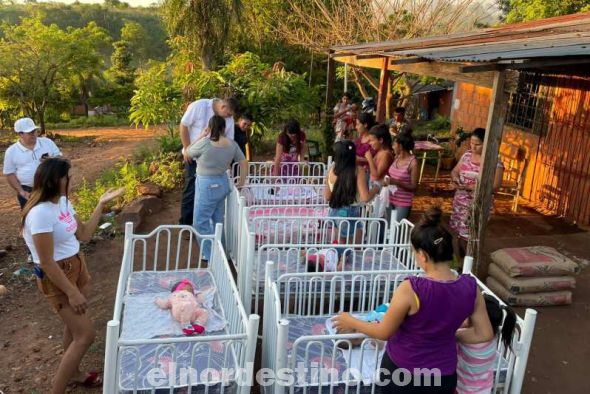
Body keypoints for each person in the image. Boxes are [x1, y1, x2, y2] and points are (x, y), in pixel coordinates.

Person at [333, 207, 493, 393]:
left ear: (423, 255)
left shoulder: (412, 289)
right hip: (443, 377)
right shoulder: (471, 288)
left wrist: (350, 320)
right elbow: (484, 334)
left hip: (403, 374)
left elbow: (384, 332)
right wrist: (449, 335)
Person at [22, 158, 124, 393]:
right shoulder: (39, 214)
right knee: (86, 335)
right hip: (58, 277)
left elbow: (85, 234)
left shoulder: (64, 203)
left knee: (74, 329)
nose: (73, 179)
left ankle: (74, 374)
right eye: (69, 176)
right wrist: (71, 291)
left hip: (77, 266)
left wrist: (101, 203)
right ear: (56, 180)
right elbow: (46, 261)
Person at [188, 115, 247, 262]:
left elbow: (187, 152)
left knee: (200, 222)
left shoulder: (205, 143)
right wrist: (240, 182)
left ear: (210, 127)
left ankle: (210, 255)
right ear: (223, 128)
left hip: (206, 185)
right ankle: (222, 252)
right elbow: (243, 162)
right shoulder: (232, 144)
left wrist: (202, 135)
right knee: (217, 221)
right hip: (222, 183)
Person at [178, 97, 238, 226]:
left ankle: (205, 225)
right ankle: (186, 225)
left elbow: (229, 141)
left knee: (208, 192)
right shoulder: (199, 106)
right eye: (228, 114)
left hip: (212, 161)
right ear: (223, 107)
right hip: (193, 156)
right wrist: (187, 148)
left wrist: (227, 165)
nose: (229, 117)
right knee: (191, 190)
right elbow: (183, 125)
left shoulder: (228, 118)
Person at [449, 128, 503, 259]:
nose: (473, 147)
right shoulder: (466, 155)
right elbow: (455, 171)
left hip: (477, 205)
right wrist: (456, 178)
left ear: (487, 144)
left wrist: (471, 186)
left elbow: (495, 186)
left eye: (477, 144)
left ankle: (468, 266)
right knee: (459, 234)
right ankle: (461, 264)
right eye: (472, 143)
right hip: (460, 203)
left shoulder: (494, 162)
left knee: (469, 237)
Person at [324, 140, 381, 251]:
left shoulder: (332, 169)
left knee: (341, 249)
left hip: (334, 212)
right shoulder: (358, 171)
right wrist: (377, 187)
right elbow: (365, 197)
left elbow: (327, 196)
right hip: (351, 213)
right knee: (355, 253)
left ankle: (339, 265)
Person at [456, 294, 517, 394]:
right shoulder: (493, 335)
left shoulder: (467, 339)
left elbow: (451, 334)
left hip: (464, 389)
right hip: (484, 389)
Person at [3, 117, 61, 209]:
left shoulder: (47, 143)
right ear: (20, 134)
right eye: (30, 133)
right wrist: (21, 191)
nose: (34, 134)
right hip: (28, 191)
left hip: (50, 186)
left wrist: (51, 160)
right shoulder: (11, 151)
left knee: (54, 213)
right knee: (29, 217)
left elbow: (61, 158)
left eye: (35, 131)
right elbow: (9, 174)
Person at [385, 132, 419, 222]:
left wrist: (397, 182)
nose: (392, 146)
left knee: (396, 230)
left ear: (400, 146)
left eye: (394, 144)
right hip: (390, 199)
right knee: (388, 228)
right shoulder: (397, 157)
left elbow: (414, 187)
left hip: (403, 203)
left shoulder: (413, 163)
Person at [232, 112, 253, 179]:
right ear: (240, 120)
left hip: (240, 161)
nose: (246, 126)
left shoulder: (246, 131)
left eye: (249, 125)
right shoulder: (232, 129)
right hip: (231, 161)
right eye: (244, 124)